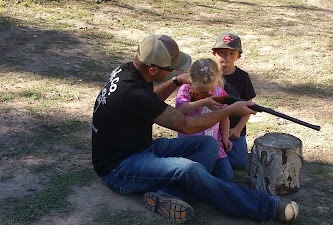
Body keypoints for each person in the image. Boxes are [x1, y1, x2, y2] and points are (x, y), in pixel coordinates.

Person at [91, 34, 299, 223]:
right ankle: (266, 206)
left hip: (140, 148)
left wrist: (174, 81)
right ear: (153, 69)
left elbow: (151, 99)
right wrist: (228, 111)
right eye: (171, 69)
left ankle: (169, 194)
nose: (174, 72)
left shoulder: (128, 70)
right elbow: (187, 125)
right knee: (189, 169)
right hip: (119, 169)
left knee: (208, 144)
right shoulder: (134, 94)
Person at [175, 58, 233, 181]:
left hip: (215, 142)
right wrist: (204, 102)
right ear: (192, 81)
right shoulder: (185, 89)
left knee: (227, 176)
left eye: (211, 89)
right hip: (191, 144)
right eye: (203, 91)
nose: (209, 92)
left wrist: (225, 137)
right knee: (195, 172)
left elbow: (224, 115)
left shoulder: (219, 91)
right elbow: (181, 109)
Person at [212, 32, 256, 170]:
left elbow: (250, 107)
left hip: (233, 129)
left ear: (239, 56)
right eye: (222, 52)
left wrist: (237, 129)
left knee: (239, 163)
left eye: (232, 53)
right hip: (210, 126)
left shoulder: (243, 77)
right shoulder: (207, 74)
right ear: (214, 53)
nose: (227, 57)